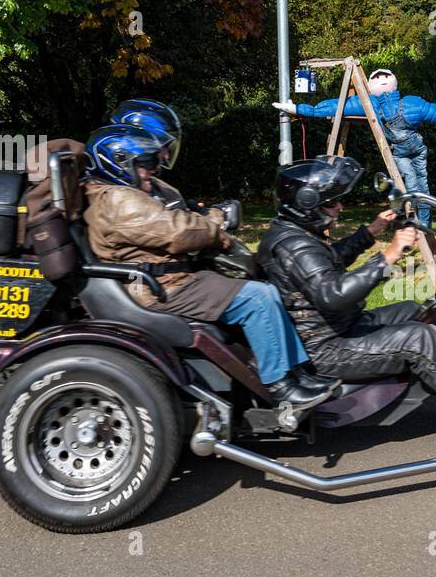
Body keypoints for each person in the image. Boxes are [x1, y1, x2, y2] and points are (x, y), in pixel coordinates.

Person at [257, 155, 436, 441]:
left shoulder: (295, 234)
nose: (340, 206)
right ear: (306, 204)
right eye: (332, 202)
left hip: (340, 326)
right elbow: (334, 295)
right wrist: (389, 255)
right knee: (418, 339)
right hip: (327, 348)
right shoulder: (295, 245)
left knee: (421, 309)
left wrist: (371, 231)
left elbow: (329, 262)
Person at [82, 123, 337, 408]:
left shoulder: (116, 194)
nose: (154, 168)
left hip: (172, 280)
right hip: (163, 289)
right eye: (146, 163)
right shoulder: (118, 199)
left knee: (265, 289)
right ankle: (280, 385)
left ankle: (297, 371)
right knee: (258, 298)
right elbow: (179, 233)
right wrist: (219, 220)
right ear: (116, 162)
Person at [273, 69, 436, 227]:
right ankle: (423, 223)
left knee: (411, 183)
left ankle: (417, 218)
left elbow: (337, 105)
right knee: (420, 185)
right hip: (415, 148)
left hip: (402, 151)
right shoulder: (410, 103)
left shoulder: (370, 104)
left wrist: (299, 108)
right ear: (394, 85)